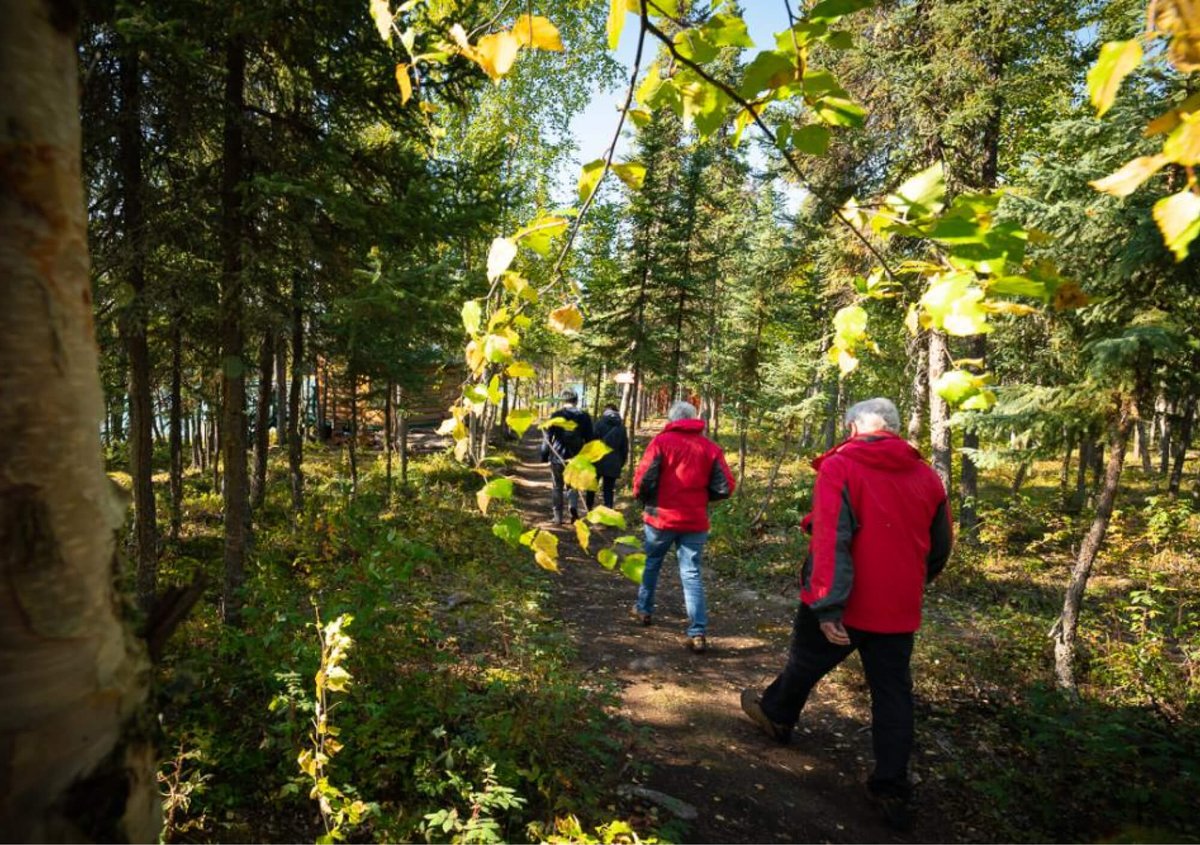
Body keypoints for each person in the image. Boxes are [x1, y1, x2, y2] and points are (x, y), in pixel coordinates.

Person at [739, 398, 952, 832]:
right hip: (898, 607)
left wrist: (827, 604)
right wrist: (909, 583)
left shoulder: (842, 466)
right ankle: (890, 786)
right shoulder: (928, 476)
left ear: (855, 427)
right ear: (891, 429)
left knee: (806, 660)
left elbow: (833, 540)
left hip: (847, 602)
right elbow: (941, 545)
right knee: (892, 694)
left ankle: (778, 715)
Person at [631, 400, 735, 654]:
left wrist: (643, 498)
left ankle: (644, 609)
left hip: (660, 518)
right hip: (695, 520)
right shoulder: (710, 448)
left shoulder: (660, 443)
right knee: (691, 574)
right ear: (692, 418)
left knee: (653, 563)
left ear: (671, 419)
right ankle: (697, 631)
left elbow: (644, 479)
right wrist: (700, 498)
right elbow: (725, 486)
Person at [540, 388, 594, 524]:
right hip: (576, 457)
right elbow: (590, 439)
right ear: (576, 400)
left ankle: (557, 517)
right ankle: (573, 509)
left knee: (557, 486)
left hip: (557, 456)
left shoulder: (556, 415)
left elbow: (547, 437)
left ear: (562, 400)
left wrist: (544, 455)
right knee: (573, 485)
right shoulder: (584, 416)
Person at [588, 403, 628, 509]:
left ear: (605, 411)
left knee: (591, 486)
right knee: (608, 490)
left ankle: (588, 509)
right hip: (613, 463)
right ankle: (608, 512)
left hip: (597, 461)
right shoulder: (621, 427)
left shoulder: (599, 424)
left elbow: (591, 442)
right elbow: (624, 448)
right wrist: (621, 463)